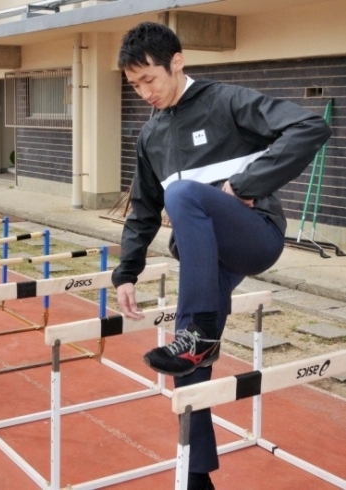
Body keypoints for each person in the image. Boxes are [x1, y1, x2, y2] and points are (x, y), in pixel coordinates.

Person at [111, 22, 331, 490]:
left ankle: (201, 333)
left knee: (186, 196)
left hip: (256, 236)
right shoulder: (149, 138)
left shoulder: (227, 101)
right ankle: (197, 475)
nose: (143, 92)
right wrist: (126, 272)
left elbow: (311, 125)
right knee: (184, 352)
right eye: (134, 86)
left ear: (177, 62)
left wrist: (244, 187)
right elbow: (143, 209)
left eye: (149, 79)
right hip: (207, 256)